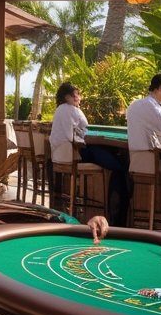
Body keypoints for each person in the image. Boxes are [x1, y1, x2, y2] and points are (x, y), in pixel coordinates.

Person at [50, 82, 131, 226]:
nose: (77, 98)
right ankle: (117, 218)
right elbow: (85, 128)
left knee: (105, 157)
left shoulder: (59, 110)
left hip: (60, 158)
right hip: (75, 157)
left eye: (77, 94)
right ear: (66, 97)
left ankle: (116, 215)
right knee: (119, 167)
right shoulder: (73, 110)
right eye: (74, 95)